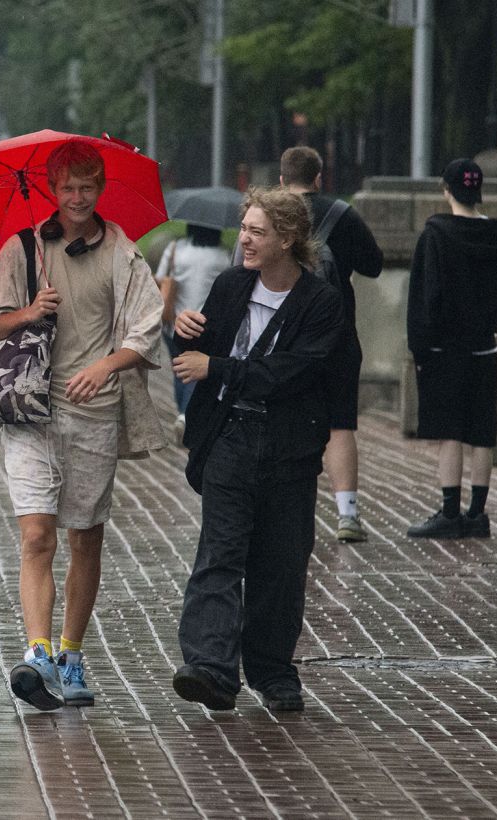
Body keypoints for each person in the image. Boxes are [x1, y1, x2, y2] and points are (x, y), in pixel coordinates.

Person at [0, 139, 166, 710]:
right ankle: (36, 654)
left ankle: (71, 653)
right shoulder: (23, 248)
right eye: (68, 188)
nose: (79, 198)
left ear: (101, 189)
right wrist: (30, 311)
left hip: (95, 411)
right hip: (32, 408)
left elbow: (145, 327)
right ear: (52, 191)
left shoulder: (123, 253)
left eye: (88, 187)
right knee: (37, 534)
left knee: (86, 535)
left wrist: (106, 366)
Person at [170, 188, 343, 712]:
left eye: (256, 232)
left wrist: (215, 368)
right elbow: (200, 353)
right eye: (243, 228)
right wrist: (184, 334)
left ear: (287, 239)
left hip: (289, 447)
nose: (243, 239)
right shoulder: (230, 286)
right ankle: (211, 668)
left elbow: (292, 372)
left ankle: (272, 671)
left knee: (281, 561)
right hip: (231, 437)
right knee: (220, 553)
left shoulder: (320, 302)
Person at [279, 147, 383, 543]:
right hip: (338, 334)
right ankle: (348, 515)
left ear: (283, 180)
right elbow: (374, 264)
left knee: (287, 419)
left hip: (284, 338)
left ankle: (289, 512)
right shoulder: (342, 214)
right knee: (340, 424)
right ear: (319, 178)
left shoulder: (271, 217)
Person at [405, 159, 497, 539]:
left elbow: (425, 295)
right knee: (481, 431)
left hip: (444, 348)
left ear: (445, 189)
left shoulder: (436, 235)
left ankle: (450, 512)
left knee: (449, 430)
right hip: (484, 347)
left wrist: (421, 346)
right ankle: (477, 514)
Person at [156, 222, 228, 427]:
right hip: (205, 325)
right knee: (195, 368)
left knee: (179, 369)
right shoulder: (223, 256)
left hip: (173, 322)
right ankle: (186, 414)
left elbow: (161, 279)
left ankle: (183, 411)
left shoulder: (175, 248)